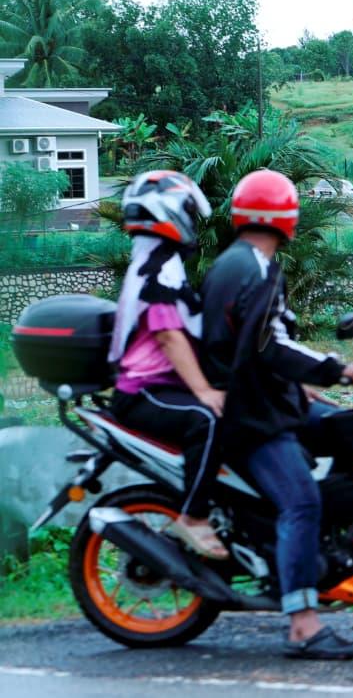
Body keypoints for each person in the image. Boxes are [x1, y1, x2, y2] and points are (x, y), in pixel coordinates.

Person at [200, 169, 353, 661]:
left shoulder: (238, 262)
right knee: (301, 503)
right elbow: (271, 349)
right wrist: (342, 371)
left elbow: (257, 349)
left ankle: (335, 559)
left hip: (264, 402)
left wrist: (309, 395)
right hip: (251, 417)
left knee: (344, 432)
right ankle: (302, 624)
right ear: (286, 216)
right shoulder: (254, 269)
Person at [109, 170, 229, 560]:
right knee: (207, 418)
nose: (193, 223)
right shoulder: (158, 267)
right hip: (142, 391)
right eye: (189, 213)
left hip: (159, 386)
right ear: (169, 213)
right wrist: (204, 391)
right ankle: (193, 517)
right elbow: (169, 337)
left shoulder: (158, 261)